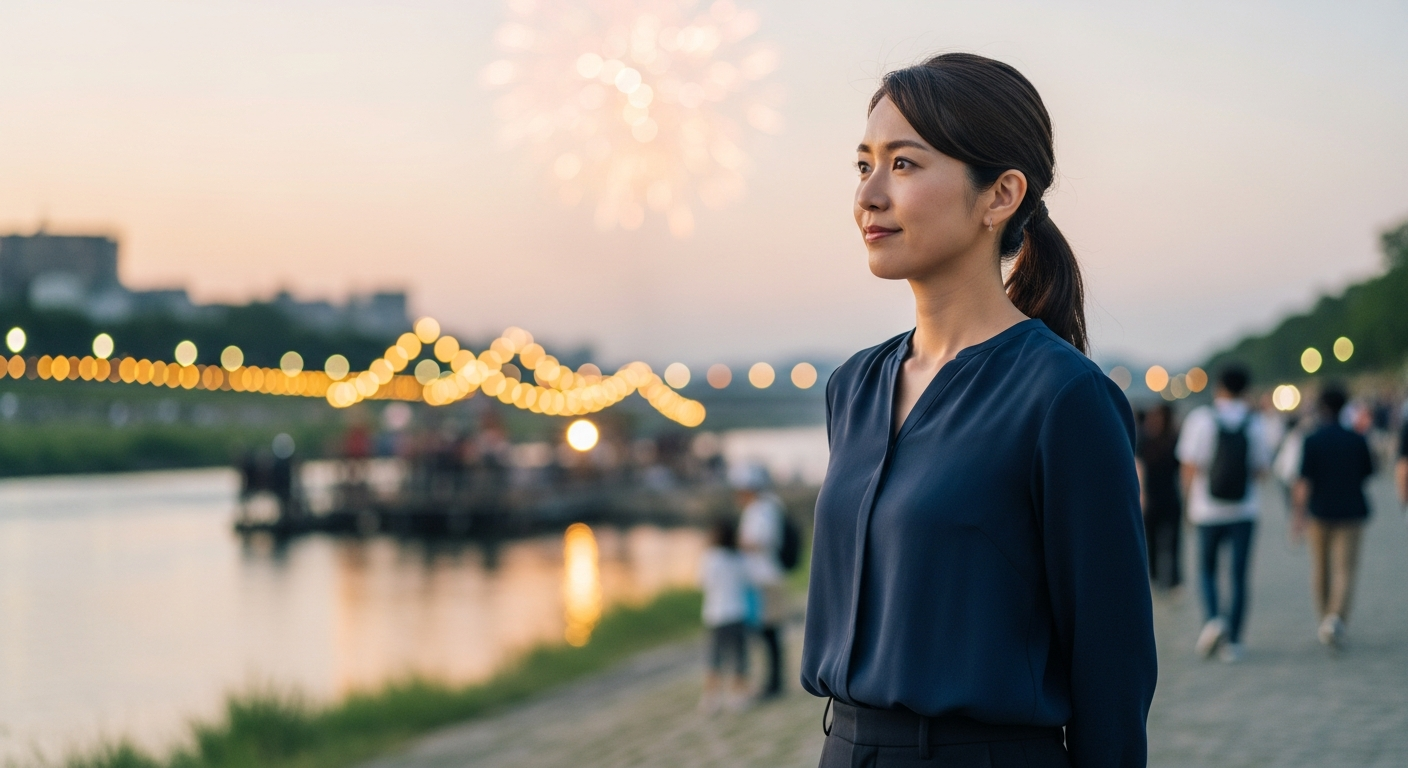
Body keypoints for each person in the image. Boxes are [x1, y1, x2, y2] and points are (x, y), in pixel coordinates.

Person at [801, 54, 1156, 768]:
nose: (869, 194)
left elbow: (1112, 667)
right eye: (863, 164)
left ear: (1000, 196)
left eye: (904, 165)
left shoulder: (1065, 398)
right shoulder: (855, 387)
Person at [1176, 365, 1271, 663]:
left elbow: (1188, 467)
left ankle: (1214, 620)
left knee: (1206, 569)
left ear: (1218, 387)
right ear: (1245, 389)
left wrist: (1188, 502)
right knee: (1239, 575)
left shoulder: (1201, 419)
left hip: (1207, 510)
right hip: (1244, 509)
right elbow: (1261, 470)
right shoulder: (1255, 423)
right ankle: (1235, 641)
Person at [1293, 386, 1375, 648]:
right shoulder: (1357, 438)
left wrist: (1298, 516)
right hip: (1351, 511)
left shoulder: (1312, 439)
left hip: (1320, 511)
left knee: (1320, 568)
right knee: (1345, 570)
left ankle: (1325, 618)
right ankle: (1336, 618)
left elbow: (1303, 481)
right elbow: (1368, 472)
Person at [733, 463, 788, 700]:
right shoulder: (767, 507)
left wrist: (737, 544)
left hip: (766, 578)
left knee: (769, 632)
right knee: (767, 633)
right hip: (763, 578)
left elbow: (761, 540)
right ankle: (772, 682)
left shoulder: (762, 510)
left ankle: (774, 684)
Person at [698, 520, 751, 713]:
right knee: (739, 656)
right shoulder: (739, 559)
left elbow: (703, 583)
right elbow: (747, 580)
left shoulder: (710, 558)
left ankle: (711, 699)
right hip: (737, 612)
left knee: (714, 658)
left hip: (716, 614)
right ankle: (738, 697)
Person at [1137, 404, 1183, 590]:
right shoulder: (1175, 439)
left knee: (1152, 540)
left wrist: (1141, 495)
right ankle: (1173, 580)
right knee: (1172, 542)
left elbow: (1139, 467)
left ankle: (1155, 577)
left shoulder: (1144, 439)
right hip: (1171, 496)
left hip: (1152, 496)